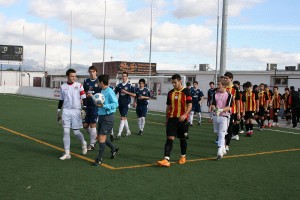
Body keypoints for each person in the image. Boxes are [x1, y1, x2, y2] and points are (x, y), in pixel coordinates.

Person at [157, 74, 192, 167]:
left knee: (182, 139)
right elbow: (168, 106)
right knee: (169, 138)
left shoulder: (186, 92)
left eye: (175, 82)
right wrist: (166, 118)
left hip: (182, 120)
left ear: (180, 81)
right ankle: (166, 159)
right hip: (172, 119)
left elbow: (190, 105)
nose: (173, 84)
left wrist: (185, 115)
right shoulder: (170, 93)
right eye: (172, 82)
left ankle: (183, 156)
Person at [57, 68, 88, 160]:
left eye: (75, 76)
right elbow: (61, 100)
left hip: (76, 111)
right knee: (66, 132)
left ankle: (83, 142)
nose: (74, 78)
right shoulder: (63, 87)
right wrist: (58, 111)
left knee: (76, 132)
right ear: (67, 76)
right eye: (72, 76)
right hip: (66, 111)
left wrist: (84, 109)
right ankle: (67, 153)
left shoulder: (79, 85)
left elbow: (84, 98)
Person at [93, 74, 119, 166]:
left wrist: (104, 106)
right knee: (100, 137)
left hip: (108, 118)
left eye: (98, 82)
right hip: (101, 116)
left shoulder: (110, 91)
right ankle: (113, 148)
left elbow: (116, 104)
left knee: (101, 138)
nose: (97, 83)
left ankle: (99, 159)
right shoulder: (102, 91)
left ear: (101, 82)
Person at [211, 80, 233, 160]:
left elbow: (229, 107)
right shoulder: (215, 94)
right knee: (219, 134)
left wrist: (221, 110)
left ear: (224, 86)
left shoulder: (229, 95)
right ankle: (223, 148)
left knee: (221, 134)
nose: (218, 86)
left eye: (219, 84)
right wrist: (215, 108)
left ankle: (219, 152)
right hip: (216, 117)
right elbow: (212, 104)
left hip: (224, 117)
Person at [83, 66, 100, 150]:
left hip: (95, 106)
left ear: (96, 72)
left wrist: (92, 96)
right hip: (87, 105)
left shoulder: (99, 81)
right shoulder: (86, 81)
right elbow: (83, 92)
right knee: (85, 125)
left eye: (93, 71)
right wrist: (82, 98)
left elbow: (101, 96)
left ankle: (92, 144)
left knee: (93, 124)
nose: (91, 73)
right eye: (90, 71)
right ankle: (95, 137)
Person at [114, 71, 136, 139]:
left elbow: (134, 95)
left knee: (122, 118)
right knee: (124, 118)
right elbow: (114, 93)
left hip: (126, 103)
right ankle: (128, 131)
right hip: (120, 103)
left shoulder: (130, 85)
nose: (123, 77)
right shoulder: (119, 85)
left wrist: (126, 92)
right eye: (123, 76)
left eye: (125, 76)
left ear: (127, 77)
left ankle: (119, 134)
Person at [223, 72, 240, 151]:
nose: (225, 79)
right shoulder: (223, 87)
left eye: (227, 78)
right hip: (223, 111)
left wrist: (239, 112)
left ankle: (227, 145)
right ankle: (222, 143)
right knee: (223, 129)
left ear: (231, 79)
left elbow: (237, 101)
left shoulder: (235, 88)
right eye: (225, 78)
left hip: (232, 111)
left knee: (229, 128)